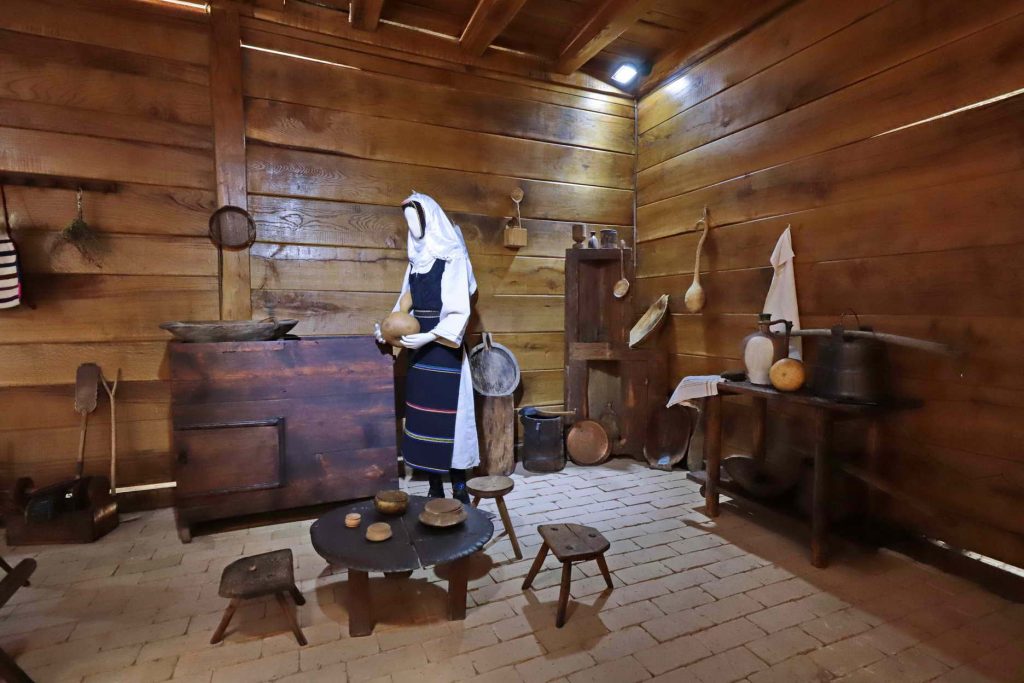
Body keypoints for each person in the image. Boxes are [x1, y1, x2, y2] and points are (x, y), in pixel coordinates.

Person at [375, 193, 479, 503]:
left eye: (415, 219)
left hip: (445, 347)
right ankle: (435, 486)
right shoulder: (416, 263)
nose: (412, 227)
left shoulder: (452, 257)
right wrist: (387, 330)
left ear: (430, 219)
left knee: (452, 418)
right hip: (419, 352)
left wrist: (430, 336)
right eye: (407, 221)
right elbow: (403, 305)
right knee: (424, 417)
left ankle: (459, 486)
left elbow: (459, 310)